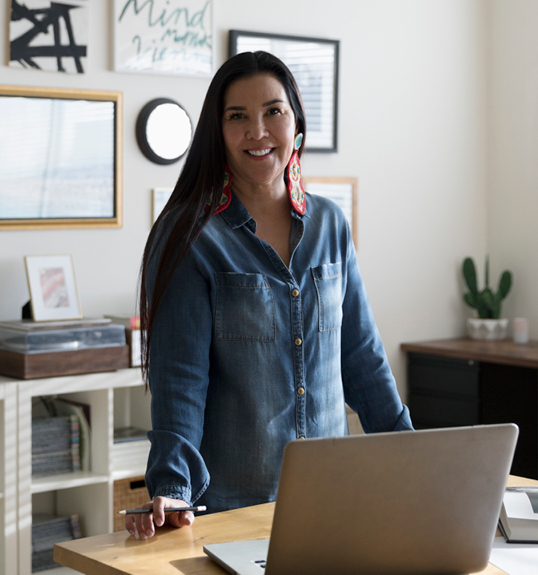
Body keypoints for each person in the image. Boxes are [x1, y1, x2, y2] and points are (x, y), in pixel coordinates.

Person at [126, 51, 413, 540]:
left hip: (334, 500)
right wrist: (172, 485)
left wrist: (415, 460)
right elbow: (181, 382)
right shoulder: (191, 236)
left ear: (296, 125)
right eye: (237, 117)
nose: (257, 132)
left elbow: (362, 359)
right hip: (234, 513)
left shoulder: (330, 225)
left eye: (272, 112)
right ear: (217, 134)